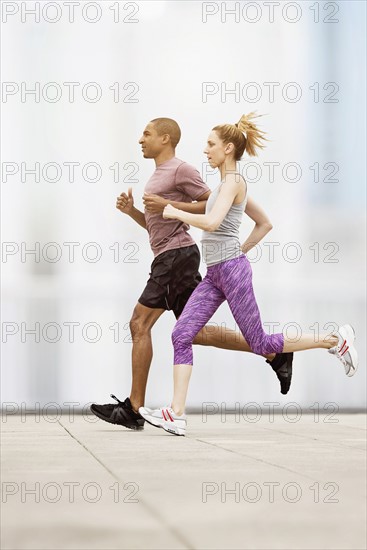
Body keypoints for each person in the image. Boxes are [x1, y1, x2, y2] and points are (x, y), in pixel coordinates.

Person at [139, 113, 359, 436]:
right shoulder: (223, 187)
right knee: (181, 333)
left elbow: (213, 223)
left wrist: (175, 211)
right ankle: (177, 413)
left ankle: (335, 340)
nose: (206, 150)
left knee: (260, 342)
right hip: (217, 272)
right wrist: (241, 248)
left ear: (228, 148)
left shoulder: (234, 183)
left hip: (232, 273)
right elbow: (264, 222)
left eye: (211, 145)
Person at [90, 117, 293, 430]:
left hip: (177, 258)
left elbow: (209, 204)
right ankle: (272, 353)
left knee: (139, 322)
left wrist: (168, 203)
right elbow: (157, 226)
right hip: (169, 255)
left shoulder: (181, 169)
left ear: (166, 138)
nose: (140, 140)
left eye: (146, 134)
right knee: (194, 333)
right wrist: (132, 211)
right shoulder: (157, 175)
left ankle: (133, 408)